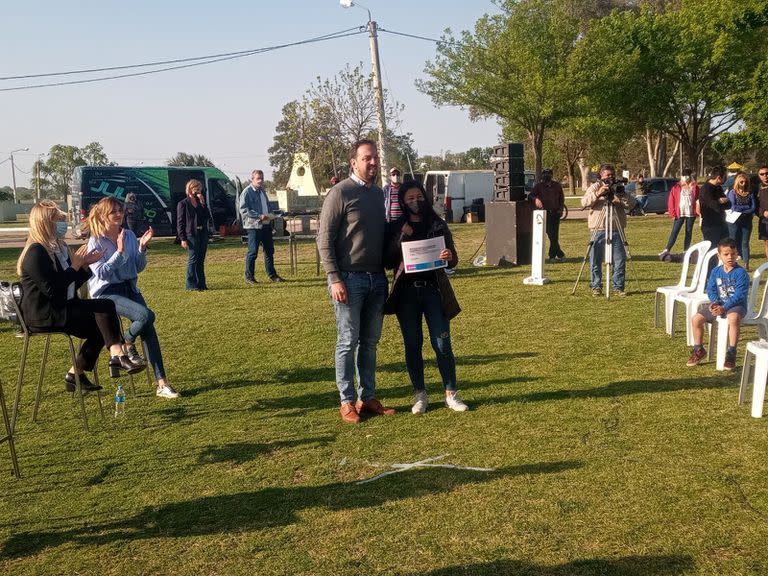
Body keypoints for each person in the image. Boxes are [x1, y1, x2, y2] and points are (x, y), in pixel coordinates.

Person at [16, 200, 144, 393]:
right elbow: (53, 290)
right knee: (102, 324)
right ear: (44, 222)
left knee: (106, 307)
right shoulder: (36, 252)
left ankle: (78, 372)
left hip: (65, 304)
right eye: (57, 219)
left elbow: (70, 285)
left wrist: (84, 266)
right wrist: (75, 266)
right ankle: (117, 355)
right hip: (46, 314)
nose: (62, 224)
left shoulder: (58, 248)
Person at [316, 139, 393, 424]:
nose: (372, 163)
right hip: (348, 279)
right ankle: (346, 400)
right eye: (366, 158)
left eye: (375, 158)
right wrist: (334, 278)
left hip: (376, 279)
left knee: (370, 342)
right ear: (354, 162)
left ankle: (367, 396)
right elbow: (323, 239)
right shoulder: (340, 193)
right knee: (347, 341)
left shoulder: (377, 194)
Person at [384, 181, 467, 413]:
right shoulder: (395, 225)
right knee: (413, 344)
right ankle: (420, 394)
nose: (415, 202)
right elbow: (387, 260)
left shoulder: (437, 223)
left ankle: (451, 393)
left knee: (441, 343)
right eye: (409, 199)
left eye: (418, 197)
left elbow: (453, 259)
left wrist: (449, 255)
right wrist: (402, 235)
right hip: (406, 293)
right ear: (402, 202)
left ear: (424, 196)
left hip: (434, 290)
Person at [86, 197, 180, 399]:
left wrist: (142, 248)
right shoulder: (95, 240)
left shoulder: (128, 235)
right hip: (106, 292)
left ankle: (162, 383)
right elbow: (101, 273)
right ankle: (127, 340)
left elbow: (137, 267)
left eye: (120, 210)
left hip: (129, 287)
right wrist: (119, 252)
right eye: (114, 212)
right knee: (146, 316)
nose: (119, 214)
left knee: (149, 328)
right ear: (103, 216)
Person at [687, 237, 749, 371]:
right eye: (726, 254)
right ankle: (699, 349)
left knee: (733, 318)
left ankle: (731, 352)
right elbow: (711, 289)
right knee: (696, 319)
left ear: (737, 254)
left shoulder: (741, 273)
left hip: (736, 306)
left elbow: (739, 295)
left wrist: (724, 307)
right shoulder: (716, 271)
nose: (730, 257)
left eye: (733, 254)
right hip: (718, 305)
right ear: (719, 255)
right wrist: (715, 302)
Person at [580, 163, 635, 297]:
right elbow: (584, 202)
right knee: (595, 259)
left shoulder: (619, 188)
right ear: (601, 175)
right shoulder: (595, 187)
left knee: (619, 259)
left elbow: (631, 204)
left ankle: (618, 287)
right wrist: (598, 194)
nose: (610, 178)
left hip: (616, 228)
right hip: (598, 228)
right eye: (607, 175)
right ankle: (596, 286)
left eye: (612, 175)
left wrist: (619, 196)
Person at [239, 169, 284, 284]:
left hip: (266, 225)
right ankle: (249, 277)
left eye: (262, 178)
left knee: (269, 251)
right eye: (258, 178)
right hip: (254, 226)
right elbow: (244, 210)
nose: (260, 181)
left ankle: (272, 275)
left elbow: (267, 207)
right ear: (252, 179)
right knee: (253, 252)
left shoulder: (262, 192)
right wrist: (259, 216)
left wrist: (272, 215)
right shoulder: (247, 192)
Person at [177, 179, 211, 291]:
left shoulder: (200, 202)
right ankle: (191, 284)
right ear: (190, 189)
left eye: (199, 188)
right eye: (196, 188)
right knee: (193, 259)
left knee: (201, 260)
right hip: (191, 234)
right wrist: (182, 238)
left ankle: (201, 284)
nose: (198, 190)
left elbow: (207, 216)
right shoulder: (183, 204)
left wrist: (203, 203)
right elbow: (180, 222)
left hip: (202, 233)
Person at [660, 168, 699, 258]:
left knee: (688, 232)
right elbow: (671, 200)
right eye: (685, 176)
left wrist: (697, 211)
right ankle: (667, 249)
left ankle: (686, 250)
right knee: (675, 231)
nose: (686, 178)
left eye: (688, 176)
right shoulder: (676, 187)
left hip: (691, 213)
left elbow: (697, 199)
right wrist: (672, 213)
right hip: (679, 213)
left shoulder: (694, 187)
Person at [529, 168, 566, 261]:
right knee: (551, 235)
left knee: (555, 235)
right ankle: (559, 254)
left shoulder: (557, 186)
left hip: (555, 213)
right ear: (542, 176)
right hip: (544, 213)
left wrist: (561, 209)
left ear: (551, 175)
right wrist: (536, 199)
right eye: (545, 175)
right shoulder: (538, 186)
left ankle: (553, 256)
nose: (547, 176)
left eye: (548, 174)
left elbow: (561, 198)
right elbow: (530, 195)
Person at [726, 171, 755, 272]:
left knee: (745, 242)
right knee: (733, 241)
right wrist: (746, 208)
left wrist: (744, 209)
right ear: (737, 182)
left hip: (746, 221)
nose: (744, 184)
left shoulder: (750, 193)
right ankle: (732, 263)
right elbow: (734, 207)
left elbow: (753, 208)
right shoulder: (732, 193)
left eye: (745, 182)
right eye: (741, 182)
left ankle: (746, 264)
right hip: (734, 220)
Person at [698, 165, 730, 248]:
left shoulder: (718, 188)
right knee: (712, 250)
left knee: (725, 247)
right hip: (710, 225)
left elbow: (728, 205)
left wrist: (721, 202)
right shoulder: (706, 189)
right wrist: (720, 201)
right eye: (725, 176)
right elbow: (713, 206)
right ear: (719, 177)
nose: (726, 178)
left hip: (722, 223)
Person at [758, 165, 768, 258]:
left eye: (767, 173)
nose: (765, 176)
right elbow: (755, 205)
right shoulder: (757, 188)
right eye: (762, 174)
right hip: (764, 219)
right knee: (767, 242)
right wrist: (763, 212)